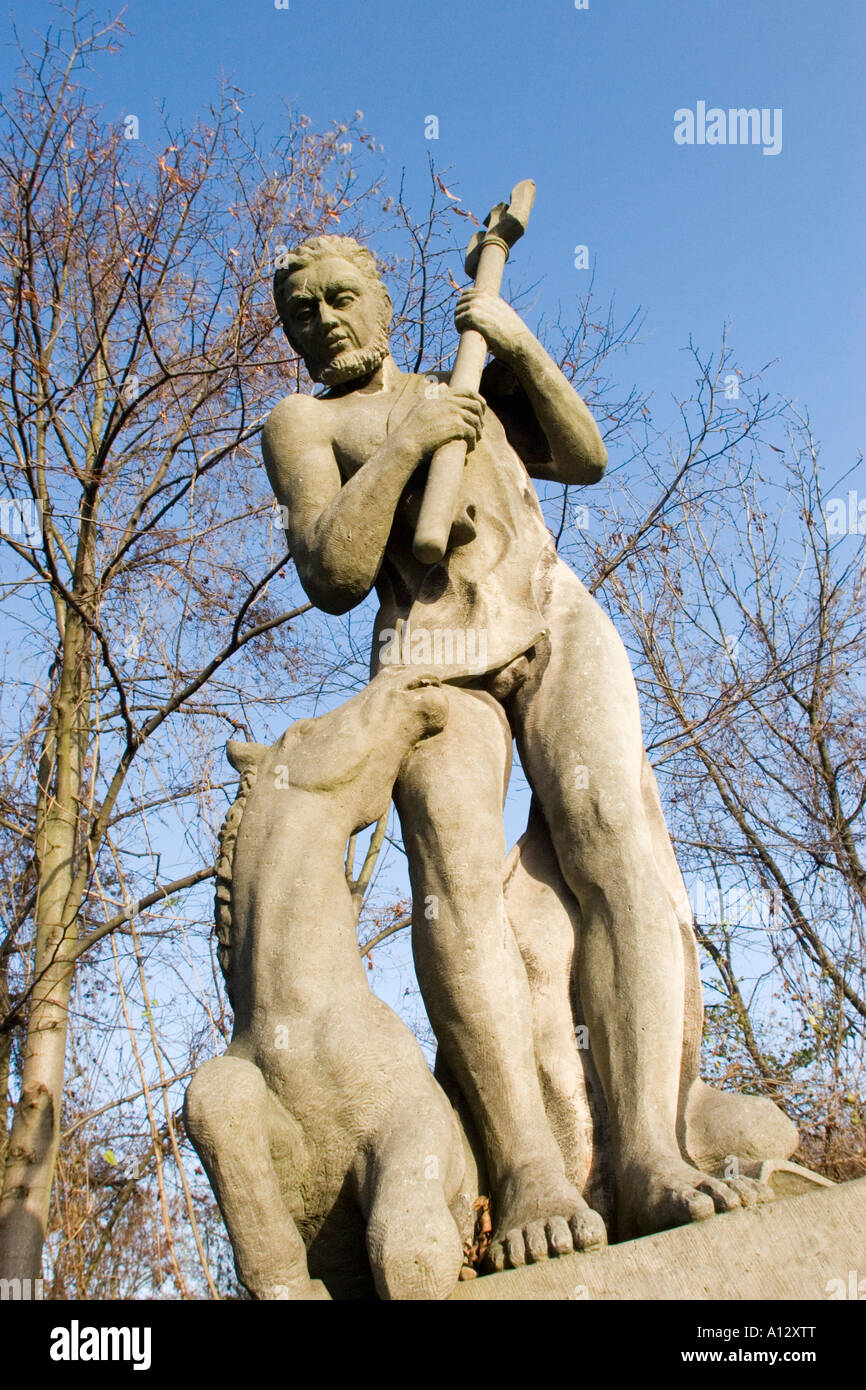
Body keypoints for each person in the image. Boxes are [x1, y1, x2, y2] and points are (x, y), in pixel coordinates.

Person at [261, 234, 770, 1269]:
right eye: (302, 312)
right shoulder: (302, 422)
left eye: (340, 297)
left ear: (383, 298)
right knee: (455, 883)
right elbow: (332, 569)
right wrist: (408, 447)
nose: (325, 321)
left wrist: (516, 346)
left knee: (616, 846)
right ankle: (529, 1164)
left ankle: (646, 1152)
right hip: (433, 660)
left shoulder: (475, 386)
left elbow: (584, 455)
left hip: (549, 619)